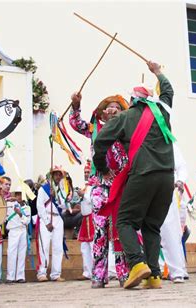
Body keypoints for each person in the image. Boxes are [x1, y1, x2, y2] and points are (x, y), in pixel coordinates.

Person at [93, 60, 174, 289]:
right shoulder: (163, 111)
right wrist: (158, 72)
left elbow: (100, 142)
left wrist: (102, 168)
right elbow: (168, 91)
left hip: (143, 174)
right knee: (152, 226)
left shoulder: (125, 117)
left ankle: (137, 264)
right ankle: (154, 276)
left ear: (131, 102)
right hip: (167, 176)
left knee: (125, 221)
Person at [69, 89, 129, 288]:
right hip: (99, 186)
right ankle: (98, 275)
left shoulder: (126, 129)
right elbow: (75, 123)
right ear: (102, 113)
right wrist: (76, 106)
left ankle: (123, 274)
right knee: (100, 230)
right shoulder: (94, 129)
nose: (113, 110)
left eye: (117, 108)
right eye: (109, 107)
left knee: (121, 229)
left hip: (121, 185)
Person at [160, 144, 189, 283]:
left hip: (166, 188)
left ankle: (178, 270)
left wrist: (179, 181)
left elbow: (181, 166)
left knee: (171, 229)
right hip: (146, 188)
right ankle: (156, 269)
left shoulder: (169, 144)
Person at [36, 167, 67, 282]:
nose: (58, 177)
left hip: (58, 218)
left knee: (58, 247)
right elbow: (39, 206)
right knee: (44, 246)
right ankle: (42, 273)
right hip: (47, 218)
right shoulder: (43, 189)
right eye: (56, 175)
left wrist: (57, 197)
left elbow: (63, 206)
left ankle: (56, 274)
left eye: (60, 175)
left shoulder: (62, 189)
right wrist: (46, 221)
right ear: (52, 176)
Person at [6, 187, 31, 283]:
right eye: (17, 194)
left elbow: (27, 221)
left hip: (23, 231)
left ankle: (20, 276)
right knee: (11, 253)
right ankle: (10, 277)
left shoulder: (27, 207)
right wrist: (8, 199)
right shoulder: (9, 204)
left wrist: (20, 214)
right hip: (13, 230)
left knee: (21, 253)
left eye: (21, 194)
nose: (19, 196)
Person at [77, 162, 94, 280]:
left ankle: (96, 271)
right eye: (85, 173)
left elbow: (95, 200)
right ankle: (87, 272)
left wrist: (84, 195)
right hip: (84, 218)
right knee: (84, 247)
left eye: (88, 172)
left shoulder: (95, 186)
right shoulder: (84, 187)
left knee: (94, 246)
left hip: (93, 218)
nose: (86, 174)